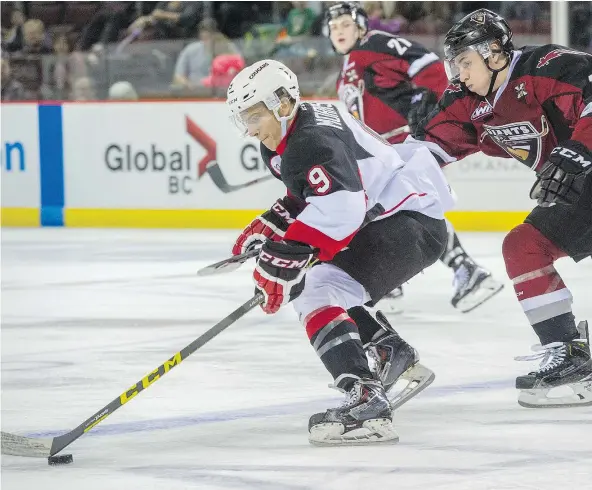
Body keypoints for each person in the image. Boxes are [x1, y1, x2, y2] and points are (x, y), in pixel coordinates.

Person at [226, 59, 456, 444]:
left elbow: (343, 206)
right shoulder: (294, 132)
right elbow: (318, 192)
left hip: (407, 223)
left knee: (315, 288)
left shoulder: (310, 140)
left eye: (254, 117)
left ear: (282, 104)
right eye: (243, 120)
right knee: (313, 283)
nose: (250, 131)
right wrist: (277, 220)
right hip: (401, 217)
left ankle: (367, 402)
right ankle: (389, 351)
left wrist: (285, 255)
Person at [411, 8, 592, 408]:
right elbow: (423, 154)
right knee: (524, 247)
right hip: (581, 189)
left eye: (465, 61)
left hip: (585, 169)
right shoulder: (465, 99)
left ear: (494, 54)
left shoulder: (545, 67)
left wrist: (580, 149)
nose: (457, 73)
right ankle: (570, 355)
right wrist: (360, 176)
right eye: (454, 63)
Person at [324, 2, 504, 313]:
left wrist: (427, 99)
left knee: (408, 209)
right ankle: (405, 281)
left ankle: (466, 271)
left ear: (361, 27)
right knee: (391, 212)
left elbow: (428, 64)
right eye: (333, 27)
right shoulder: (345, 73)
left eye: (345, 24)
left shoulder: (376, 43)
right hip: (383, 152)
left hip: (406, 144)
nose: (338, 31)